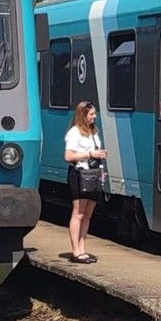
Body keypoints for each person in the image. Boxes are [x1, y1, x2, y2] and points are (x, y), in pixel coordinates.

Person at [64, 101, 106, 264]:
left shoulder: (93, 132)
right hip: (79, 174)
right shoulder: (74, 133)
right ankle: (76, 251)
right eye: (91, 114)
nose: (95, 117)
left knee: (87, 214)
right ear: (83, 115)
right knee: (78, 213)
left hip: (94, 174)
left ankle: (83, 248)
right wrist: (90, 154)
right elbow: (68, 156)